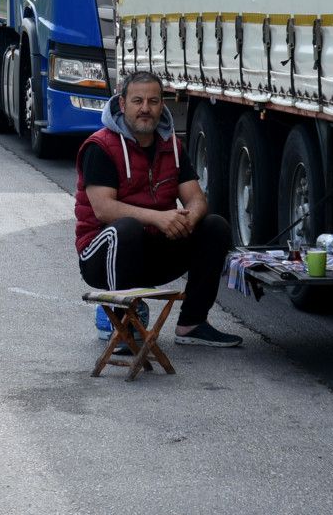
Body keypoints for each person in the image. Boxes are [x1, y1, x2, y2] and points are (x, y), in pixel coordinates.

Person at [74, 71, 242, 347]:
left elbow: (197, 199)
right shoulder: (100, 146)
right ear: (122, 104)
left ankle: (192, 324)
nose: (145, 109)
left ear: (162, 105)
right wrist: (159, 218)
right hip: (102, 255)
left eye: (153, 101)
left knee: (214, 226)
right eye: (137, 101)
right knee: (126, 229)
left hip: (151, 251)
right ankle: (125, 329)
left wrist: (187, 219)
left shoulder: (172, 146)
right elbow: (103, 209)